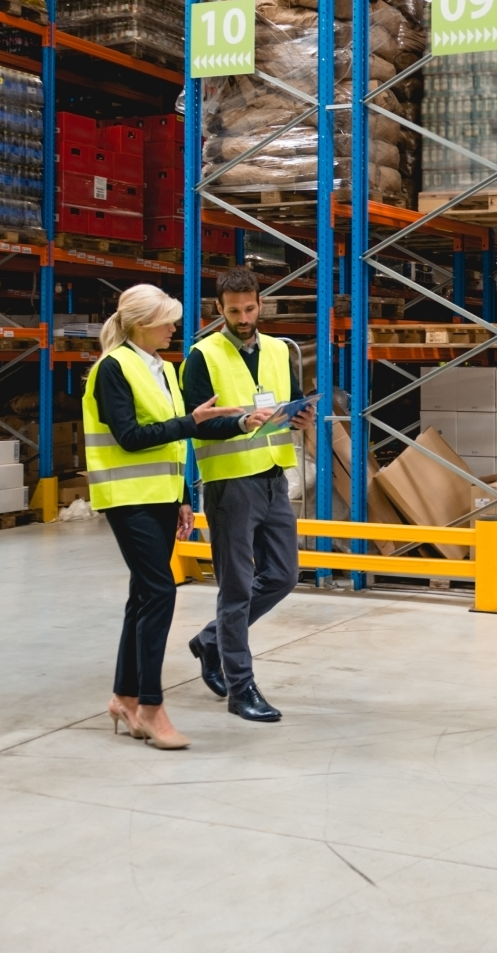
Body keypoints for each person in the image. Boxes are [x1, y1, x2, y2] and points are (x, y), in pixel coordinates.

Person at [83, 284, 243, 750]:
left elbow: (170, 443)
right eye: (167, 320)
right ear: (140, 324)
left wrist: (182, 497)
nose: (175, 327)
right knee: (158, 591)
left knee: (142, 595)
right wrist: (191, 422)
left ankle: (124, 697)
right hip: (127, 498)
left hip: (160, 496)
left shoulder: (165, 369)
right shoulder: (112, 369)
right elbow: (131, 436)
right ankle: (151, 706)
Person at [181, 268, 314, 723]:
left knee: (283, 575)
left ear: (261, 304)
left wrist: (299, 417)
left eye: (250, 308)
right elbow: (195, 421)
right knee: (236, 588)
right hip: (230, 483)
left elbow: (291, 398)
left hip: (275, 475)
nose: (243, 317)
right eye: (233, 310)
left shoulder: (278, 350)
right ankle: (241, 687)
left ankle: (212, 640)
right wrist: (238, 424)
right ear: (219, 309)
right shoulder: (202, 356)